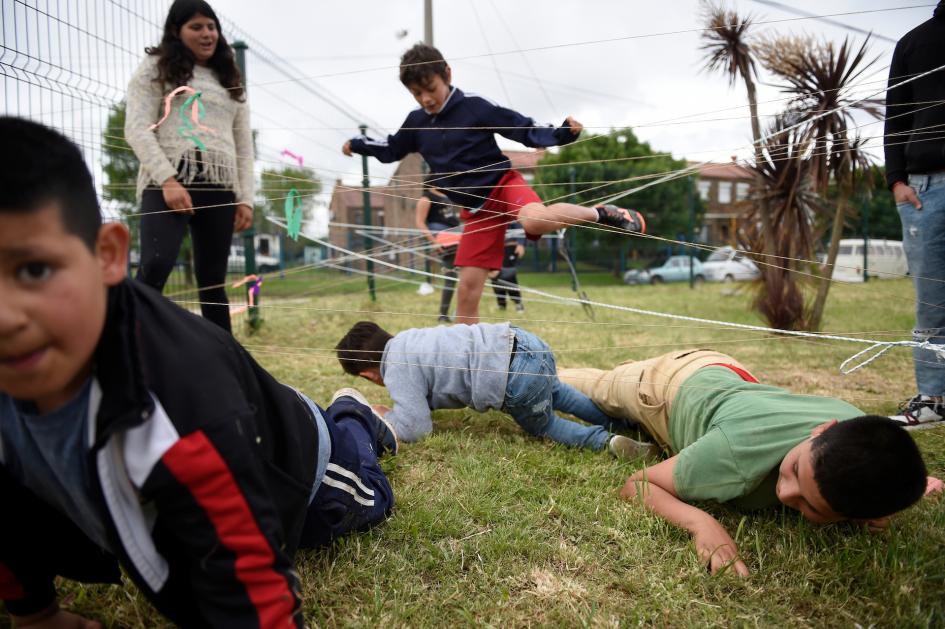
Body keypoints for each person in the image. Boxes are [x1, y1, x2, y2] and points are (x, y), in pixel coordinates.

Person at [0, 117, 397, 627]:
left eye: (33, 271)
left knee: (366, 492)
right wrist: (35, 615)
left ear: (108, 256)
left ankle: (357, 413)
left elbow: (248, 576)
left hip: (309, 464)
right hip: (243, 414)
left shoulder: (181, 402)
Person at [558, 349, 942, 576]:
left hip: (732, 379)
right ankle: (517, 359)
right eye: (793, 471)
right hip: (665, 384)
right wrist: (701, 523)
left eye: (810, 506)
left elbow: (884, 457)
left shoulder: (858, 429)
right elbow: (638, 484)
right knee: (590, 388)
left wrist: (904, 490)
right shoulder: (735, 455)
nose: (786, 491)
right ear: (822, 429)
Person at [343, 43, 645, 324]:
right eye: (416, 93)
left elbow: (522, 128)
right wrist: (358, 144)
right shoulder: (416, 122)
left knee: (537, 220)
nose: (426, 99)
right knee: (467, 293)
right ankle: (470, 363)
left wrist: (562, 134)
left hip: (503, 185)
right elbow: (390, 149)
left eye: (430, 88)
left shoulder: (474, 106)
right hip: (475, 211)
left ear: (447, 74)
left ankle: (603, 213)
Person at [335, 321, 658, 459]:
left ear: (367, 374)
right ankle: (624, 424)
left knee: (543, 424)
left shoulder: (396, 371)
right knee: (557, 392)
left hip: (513, 377)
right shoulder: (408, 339)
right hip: (526, 343)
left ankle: (607, 442)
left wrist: (385, 416)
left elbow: (416, 427)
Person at [125, 0, 254, 334]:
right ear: (176, 31)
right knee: (155, 265)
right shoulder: (155, 67)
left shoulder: (230, 77)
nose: (207, 33)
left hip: (219, 185)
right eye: (196, 27)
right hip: (166, 180)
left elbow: (243, 144)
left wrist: (245, 199)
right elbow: (137, 127)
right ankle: (128, 346)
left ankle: (227, 362)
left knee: (213, 282)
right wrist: (168, 180)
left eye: (211, 26)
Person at [884, 1, 945, 426]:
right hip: (925, 189)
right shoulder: (914, 42)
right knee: (933, 302)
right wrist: (897, 182)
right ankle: (933, 400)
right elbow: (896, 117)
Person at [415, 181, 460, 323]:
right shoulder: (426, 198)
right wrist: (433, 242)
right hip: (445, 239)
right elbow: (420, 222)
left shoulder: (445, 194)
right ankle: (444, 314)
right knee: (451, 275)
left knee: (458, 275)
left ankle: (448, 314)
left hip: (457, 236)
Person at [491, 222, 526, 313]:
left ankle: (518, 303)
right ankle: (501, 304)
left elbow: (519, 226)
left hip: (509, 246)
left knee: (508, 274)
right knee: (494, 274)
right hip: (493, 247)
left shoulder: (507, 210)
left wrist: (521, 244)